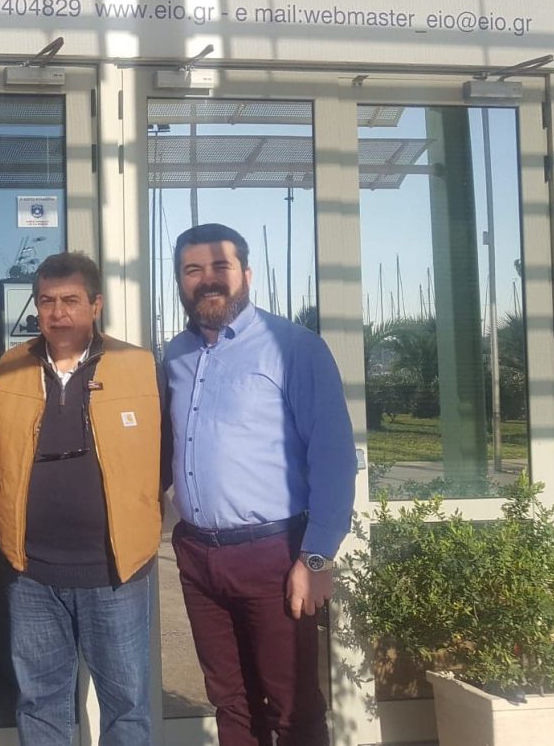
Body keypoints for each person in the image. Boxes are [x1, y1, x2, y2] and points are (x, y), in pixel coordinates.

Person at [163, 223, 355, 746]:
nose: (207, 279)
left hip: (274, 555)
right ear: (180, 281)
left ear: (246, 274)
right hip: (198, 556)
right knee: (231, 703)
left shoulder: (293, 348)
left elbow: (334, 458)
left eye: (220, 266)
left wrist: (316, 558)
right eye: (192, 269)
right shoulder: (175, 357)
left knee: (292, 708)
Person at [0, 251, 162, 746]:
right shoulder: (10, 368)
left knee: (126, 708)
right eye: (47, 301)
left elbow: (164, 454)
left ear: (96, 305)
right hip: (32, 573)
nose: (58, 313)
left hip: (116, 572)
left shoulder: (138, 366)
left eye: (70, 300)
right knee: (40, 705)